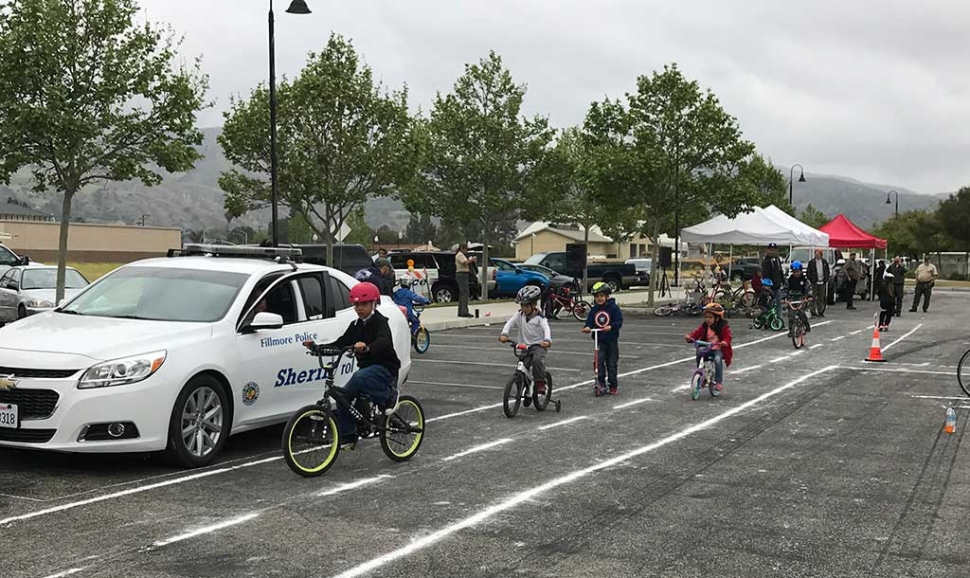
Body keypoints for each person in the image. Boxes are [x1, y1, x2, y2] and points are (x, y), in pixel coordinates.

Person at [305, 282, 400, 447]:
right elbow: (340, 344)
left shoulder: (380, 322)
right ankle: (349, 436)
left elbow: (384, 341)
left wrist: (367, 347)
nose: (360, 308)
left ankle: (389, 396)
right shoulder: (355, 326)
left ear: (374, 303)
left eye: (364, 304)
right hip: (367, 370)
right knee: (343, 397)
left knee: (359, 377)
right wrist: (317, 348)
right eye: (356, 305)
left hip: (385, 368)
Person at [499, 285, 551, 396]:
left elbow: (546, 328)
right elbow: (510, 323)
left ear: (534, 305)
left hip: (538, 346)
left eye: (526, 306)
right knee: (521, 368)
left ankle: (540, 383)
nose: (523, 308)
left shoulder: (540, 318)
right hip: (525, 346)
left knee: (537, 361)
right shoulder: (519, 314)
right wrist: (504, 333)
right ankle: (523, 389)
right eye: (522, 305)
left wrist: (547, 340)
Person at [581, 281, 624, 395]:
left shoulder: (613, 308)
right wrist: (587, 327)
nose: (599, 299)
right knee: (598, 362)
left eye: (601, 296)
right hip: (600, 340)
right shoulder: (595, 309)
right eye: (596, 297)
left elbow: (619, 321)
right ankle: (600, 383)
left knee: (611, 363)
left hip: (611, 340)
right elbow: (589, 321)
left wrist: (611, 326)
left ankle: (613, 384)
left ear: (607, 296)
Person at [684, 303, 733, 395]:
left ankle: (718, 382)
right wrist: (690, 337)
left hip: (718, 349)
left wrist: (724, 342)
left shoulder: (723, 327)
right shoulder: (705, 326)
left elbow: (728, 337)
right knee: (699, 353)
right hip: (707, 347)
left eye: (710, 317)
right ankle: (701, 372)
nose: (707, 319)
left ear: (717, 318)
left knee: (718, 360)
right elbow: (696, 333)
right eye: (706, 317)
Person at [783, 261, 813, 334]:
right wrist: (783, 298)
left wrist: (809, 297)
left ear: (801, 271)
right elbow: (785, 289)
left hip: (801, 298)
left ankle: (806, 324)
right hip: (792, 298)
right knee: (791, 315)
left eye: (798, 271)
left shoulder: (805, 280)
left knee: (801, 312)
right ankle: (791, 330)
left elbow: (809, 289)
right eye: (794, 272)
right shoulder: (789, 280)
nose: (796, 273)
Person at [806, 249, 830, 318]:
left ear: (821, 254)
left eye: (818, 254)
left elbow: (827, 271)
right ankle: (813, 311)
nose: (817, 255)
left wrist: (826, 279)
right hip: (814, 282)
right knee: (813, 297)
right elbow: (808, 272)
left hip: (822, 282)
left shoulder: (824, 262)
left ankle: (820, 311)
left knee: (821, 298)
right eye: (816, 253)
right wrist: (811, 279)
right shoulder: (812, 262)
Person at [455, 243, 476, 318]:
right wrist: (471, 260)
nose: (466, 251)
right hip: (462, 274)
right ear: (462, 248)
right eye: (466, 249)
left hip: (463, 275)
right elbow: (465, 262)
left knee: (462, 293)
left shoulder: (461, 255)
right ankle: (464, 312)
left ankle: (461, 311)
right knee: (465, 293)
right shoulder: (460, 255)